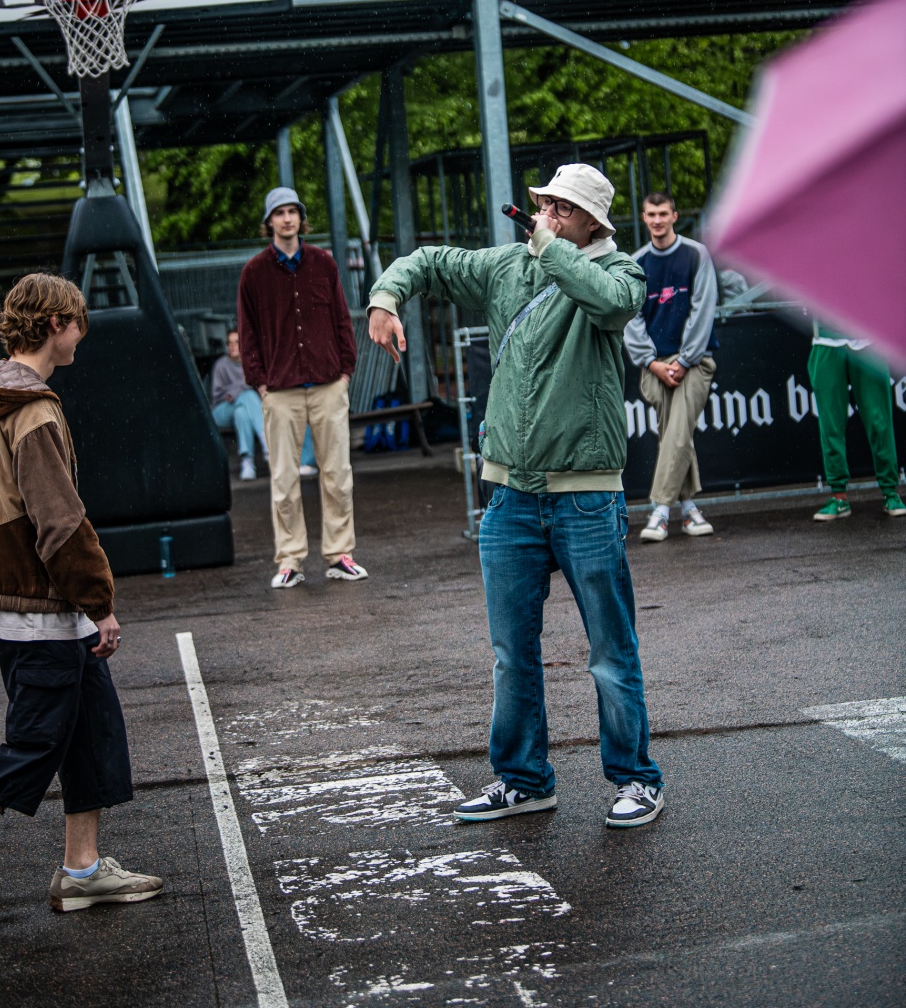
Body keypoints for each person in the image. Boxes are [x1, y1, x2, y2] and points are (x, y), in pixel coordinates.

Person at [369, 162, 665, 829]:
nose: (548, 214)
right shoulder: (507, 266)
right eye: (544, 204)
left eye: (563, 208)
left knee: (610, 650)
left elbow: (608, 303)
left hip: (586, 494)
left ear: (593, 222)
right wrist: (386, 297)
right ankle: (524, 780)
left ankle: (636, 779)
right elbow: (427, 261)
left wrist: (551, 248)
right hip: (509, 496)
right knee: (512, 653)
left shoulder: (622, 272)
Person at [0, 274, 162, 931]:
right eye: (76, 323)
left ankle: (82, 870)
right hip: (35, 602)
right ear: (53, 326)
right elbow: (60, 522)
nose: (81, 334)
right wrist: (100, 602)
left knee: (92, 727)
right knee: (36, 743)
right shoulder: (32, 410)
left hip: (28, 597)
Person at [238, 187, 366, 589]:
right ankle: (290, 559)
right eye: (279, 213)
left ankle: (340, 554)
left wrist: (345, 371)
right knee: (284, 480)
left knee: (337, 474)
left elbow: (342, 317)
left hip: (328, 383)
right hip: (279, 390)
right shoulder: (254, 272)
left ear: (301, 218)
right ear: (269, 222)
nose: (287, 218)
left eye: (293, 211)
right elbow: (247, 331)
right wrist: (260, 382)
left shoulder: (323, 263)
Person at [624, 192, 719, 543]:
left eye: (663, 213)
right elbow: (631, 317)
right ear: (644, 218)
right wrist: (652, 362)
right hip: (655, 366)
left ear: (675, 216)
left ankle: (660, 511)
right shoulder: (636, 262)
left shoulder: (696, 254)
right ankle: (689, 508)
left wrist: (683, 359)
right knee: (674, 434)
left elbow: (703, 308)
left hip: (693, 361)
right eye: (651, 214)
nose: (657, 220)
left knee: (676, 432)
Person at [807, 325, 906, 520]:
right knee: (831, 424)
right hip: (826, 340)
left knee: (879, 421)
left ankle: (890, 493)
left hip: (868, 340)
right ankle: (839, 498)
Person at [211, 328, 269, 481]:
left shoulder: (251, 364)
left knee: (242, 412)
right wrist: (243, 387)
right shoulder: (221, 365)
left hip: (242, 409)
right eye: (229, 343)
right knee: (248, 395)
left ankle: (247, 462)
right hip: (221, 410)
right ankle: (266, 441)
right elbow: (220, 396)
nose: (232, 346)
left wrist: (236, 391)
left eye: (236, 342)